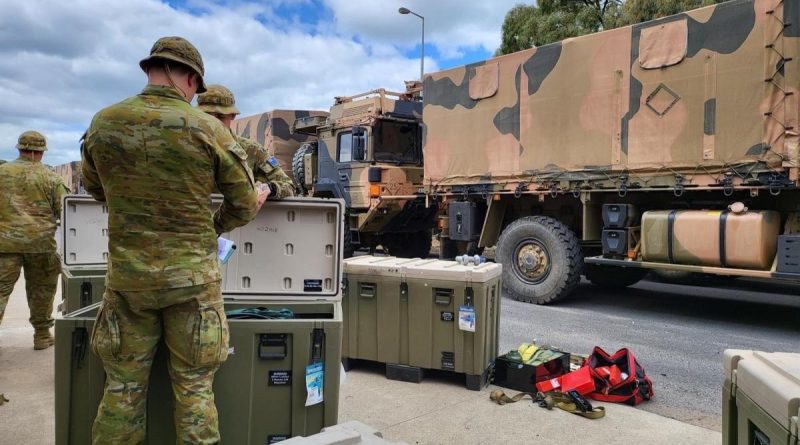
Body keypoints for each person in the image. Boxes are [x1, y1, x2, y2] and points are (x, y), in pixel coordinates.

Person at [82, 36, 259, 444]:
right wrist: (209, 226)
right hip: (192, 285)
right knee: (195, 391)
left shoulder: (104, 121)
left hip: (128, 283)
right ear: (192, 79)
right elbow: (245, 203)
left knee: (121, 390)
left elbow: (97, 190)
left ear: (150, 68)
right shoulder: (207, 128)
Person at [0, 131, 69, 350]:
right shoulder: (51, 177)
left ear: (19, 149)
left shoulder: (2, 173)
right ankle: (41, 335)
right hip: (41, 245)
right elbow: (66, 209)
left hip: (4, 244)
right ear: (41, 152)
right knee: (42, 291)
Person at [197, 84, 295, 199]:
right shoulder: (186, 145)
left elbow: (288, 186)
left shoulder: (251, 150)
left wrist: (268, 188)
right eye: (206, 116)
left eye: (220, 116)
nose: (213, 122)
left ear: (232, 115)